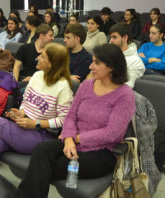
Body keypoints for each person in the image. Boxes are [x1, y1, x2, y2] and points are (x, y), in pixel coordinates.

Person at [17, 43, 136, 198]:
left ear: (112, 67)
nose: (91, 66)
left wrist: (74, 139)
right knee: (41, 150)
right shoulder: (86, 85)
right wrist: (68, 139)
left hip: (101, 152)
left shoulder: (125, 95)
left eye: (97, 63)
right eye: (92, 61)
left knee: (43, 167)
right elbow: (71, 116)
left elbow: (112, 134)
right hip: (72, 141)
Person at [0, 43, 74, 172]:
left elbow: (64, 120)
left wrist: (36, 123)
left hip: (41, 135)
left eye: (42, 56)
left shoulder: (63, 88)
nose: (38, 58)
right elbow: (26, 100)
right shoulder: (37, 76)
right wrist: (22, 112)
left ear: (52, 63)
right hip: (23, 127)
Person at [109, 23, 145, 88]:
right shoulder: (107, 54)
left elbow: (127, 86)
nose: (111, 40)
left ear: (125, 38)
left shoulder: (136, 61)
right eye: (111, 37)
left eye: (114, 37)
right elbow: (92, 74)